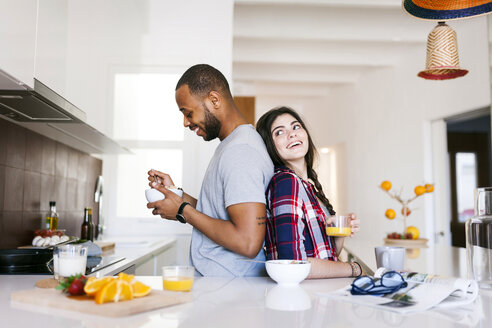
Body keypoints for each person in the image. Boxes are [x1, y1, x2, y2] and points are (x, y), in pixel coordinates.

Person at [146, 64, 274, 277]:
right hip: (225, 285)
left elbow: (248, 242)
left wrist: (182, 210)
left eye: (188, 113)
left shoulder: (241, 152)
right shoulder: (232, 145)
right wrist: (177, 196)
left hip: (230, 289)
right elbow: (220, 214)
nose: (185, 122)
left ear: (214, 100)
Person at [256, 106, 362, 278]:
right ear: (270, 145)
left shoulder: (308, 186)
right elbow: (293, 264)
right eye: (279, 132)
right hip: (303, 299)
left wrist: (339, 232)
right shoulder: (285, 182)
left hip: (318, 294)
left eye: (296, 126)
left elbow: (327, 256)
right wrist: (354, 269)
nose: (292, 134)